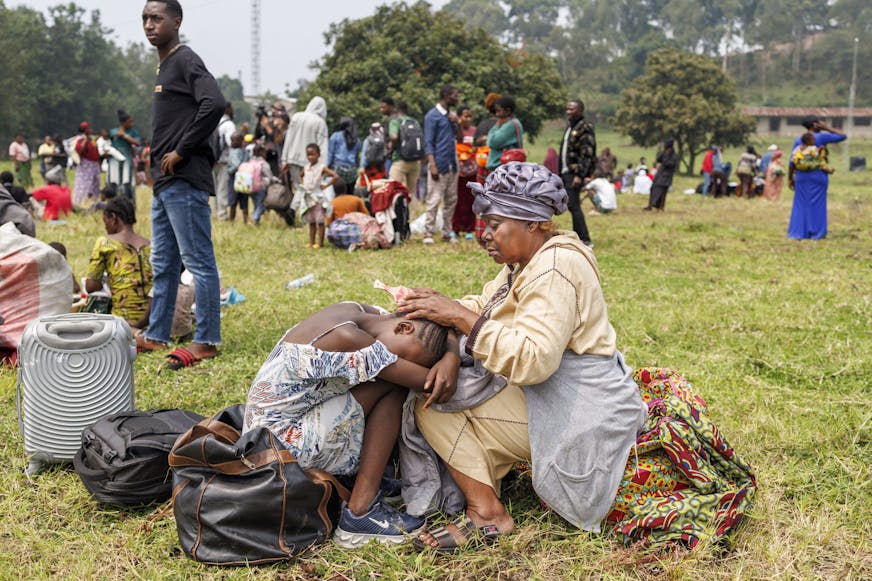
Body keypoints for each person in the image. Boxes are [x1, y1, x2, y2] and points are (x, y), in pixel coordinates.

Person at [398, 162, 755, 552]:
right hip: (559, 395)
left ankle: (487, 515)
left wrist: (456, 316)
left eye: (495, 224)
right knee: (449, 386)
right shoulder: (528, 261)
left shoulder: (555, 266)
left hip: (581, 413)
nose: (484, 235)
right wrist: (435, 308)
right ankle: (487, 475)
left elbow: (533, 361)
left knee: (432, 401)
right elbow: (487, 306)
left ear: (532, 223)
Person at [242, 302, 457, 548]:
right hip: (280, 452)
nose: (405, 364)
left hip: (264, 436)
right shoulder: (349, 339)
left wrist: (446, 337)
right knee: (393, 386)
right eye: (408, 358)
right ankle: (360, 511)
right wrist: (452, 355)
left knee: (380, 379)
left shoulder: (354, 310)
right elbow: (433, 385)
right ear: (405, 327)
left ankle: (357, 479)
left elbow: (436, 323)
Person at [137, 0, 225, 371]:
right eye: (144, 18)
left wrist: (182, 149)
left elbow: (215, 103)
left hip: (183, 178)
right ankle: (157, 334)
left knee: (198, 263)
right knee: (164, 264)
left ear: (177, 21)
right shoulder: (165, 64)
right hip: (163, 182)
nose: (149, 25)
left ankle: (206, 340)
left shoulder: (185, 58)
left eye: (156, 18)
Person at [85, 197, 152, 331]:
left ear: (114, 218)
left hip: (122, 320)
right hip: (153, 318)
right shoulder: (149, 245)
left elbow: (91, 286)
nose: (106, 228)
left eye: (106, 222)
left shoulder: (105, 243)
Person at [787, 117, 846, 240]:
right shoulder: (821, 137)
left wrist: (790, 178)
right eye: (820, 122)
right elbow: (843, 136)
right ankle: (817, 233)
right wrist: (826, 128)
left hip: (801, 176)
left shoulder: (799, 140)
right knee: (818, 204)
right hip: (818, 175)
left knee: (800, 204)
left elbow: (791, 162)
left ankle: (798, 233)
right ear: (815, 124)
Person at [423, 86, 461, 245]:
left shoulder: (452, 116)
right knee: (434, 199)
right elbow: (429, 142)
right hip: (438, 163)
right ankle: (428, 233)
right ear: (446, 96)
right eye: (454, 95)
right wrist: (432, 165)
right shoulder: (432, 116)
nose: (457, 99)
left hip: (452, 163)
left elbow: (459, 137)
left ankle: (446, 232)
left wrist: (457, 122)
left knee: (451, 200)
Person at [558, 99, 593, 246]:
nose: (568, 112)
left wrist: (580, 175)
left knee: (573, 205)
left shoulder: (585, 127)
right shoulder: (570, 127)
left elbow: (587, 152)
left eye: (572, 109)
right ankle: (580, 236)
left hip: (575, 173)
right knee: (572, 205)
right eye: (567, 109)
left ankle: (584, 239)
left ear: (580, 110)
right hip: (566, 172)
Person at [292, 143, 338, 249]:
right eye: (308, 155)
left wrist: (326, 185)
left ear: (318, 155)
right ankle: (312, 242)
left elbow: (335, 176)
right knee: (311, 221)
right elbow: (300, 176)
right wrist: (302, 185)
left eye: (313, 154)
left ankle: (320, 243)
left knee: (320, 221)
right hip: (308, 198)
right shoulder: (306, 167)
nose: (310, 157)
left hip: (318, 197)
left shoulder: (321, 167)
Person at [282, 96, 329, 190]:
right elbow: (322, 146)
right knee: (310, 190)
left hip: (292, 159)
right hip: (310, 162)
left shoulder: (296, 117)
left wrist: (284, 160)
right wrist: (323, 166)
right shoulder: (320, 122)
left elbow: (288, 139)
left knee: (298, 187)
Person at [387, 101, 423, 195]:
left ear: (396, 109)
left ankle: (396, 209)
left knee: (393, 189)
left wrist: (391, 145)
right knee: (412, 192)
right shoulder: (414, 122)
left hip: (400, 159)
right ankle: (413, 210)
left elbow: (394, 136)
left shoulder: (395, 121)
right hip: (415, 161)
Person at [453, 106, 477, 236]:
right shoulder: (455, 131)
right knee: (456, 201)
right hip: (458, 172)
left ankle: (469, 229)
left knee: (470, 200)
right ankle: (455, 228)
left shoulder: (475, 131)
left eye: (469, 116)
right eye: (465, 116)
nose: (468, 119)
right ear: (459, 117)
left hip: (472, 171)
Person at [109, 110, 142, 202]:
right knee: (114, 181)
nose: (132, 123)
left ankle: (130, 203)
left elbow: (138, 142)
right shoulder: (113, 132)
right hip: (114, 162)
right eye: (130, 121)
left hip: (127, 161)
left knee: (127, 181)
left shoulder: (133, 132)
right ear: (123, 123)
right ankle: (113, 202)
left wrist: (125, 136)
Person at [211, 102, 236, 220]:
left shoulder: (213, 120)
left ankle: (215, 212)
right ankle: (222, 214)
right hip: (223, 161)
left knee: (214, 189)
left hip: (211, 160)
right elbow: (232, 143)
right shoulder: (229, 124)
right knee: (222, 188)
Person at [73, 122, 101, 206]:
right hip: (86, 164)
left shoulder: (91, 139)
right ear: (85, 130)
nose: (91, 130)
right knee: (84, 184)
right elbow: (79, 151)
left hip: (94, 164)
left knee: (95, 182)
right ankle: (80, 202)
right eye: (89, 128)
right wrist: (85, 141)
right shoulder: (80, 139)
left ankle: (93, 202)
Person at [645, 140, 678, 212]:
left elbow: (671, 164)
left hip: (666, 176)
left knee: (662, 193)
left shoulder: (674, 156)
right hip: (659, 175)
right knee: (653, 188)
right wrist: (663, 152)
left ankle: (661, 207)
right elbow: (658, 159)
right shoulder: (664, 153)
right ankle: (650, 205)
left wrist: (665, 159)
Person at [328, 117, 361, 188]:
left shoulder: (335, 136)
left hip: (338, 169)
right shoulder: (357, 140)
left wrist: (327, 168)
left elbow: (330, 154)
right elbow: (356, 157)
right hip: (352, 171)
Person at [246, 143, 273, 226]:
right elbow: (270, 176)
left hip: (249, 187)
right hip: (260, 187)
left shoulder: (250, 161)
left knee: (256, 205)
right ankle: (254, 219)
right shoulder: (263, 163)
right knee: (261, 205)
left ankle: (256, 222)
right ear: (262, 152)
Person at [225, 131, 248, 223]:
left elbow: (239, 164)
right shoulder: (233, 152)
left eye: (234, 141)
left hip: (240, 178)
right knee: (234, 201)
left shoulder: (244, 152)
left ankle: (243, 221)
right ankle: (232, 221)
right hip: (235, 178)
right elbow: (234, 166)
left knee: (242, 201)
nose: (232, 143)